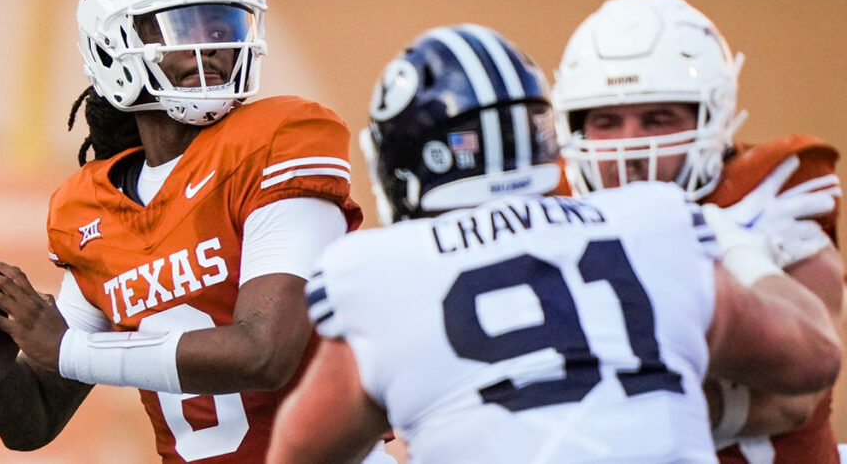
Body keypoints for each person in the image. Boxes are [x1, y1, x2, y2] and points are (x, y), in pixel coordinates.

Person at [0, 0, 400, 462]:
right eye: (182, 24)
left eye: (224, 25)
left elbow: (264, 354)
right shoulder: (93, 208)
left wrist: (70, 347)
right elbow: (36, 419)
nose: (209, 47)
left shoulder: (279, 140)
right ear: (111, 44)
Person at [265, 24, 841, 463]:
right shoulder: (653, 225)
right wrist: (732, 241)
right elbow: (813, 358)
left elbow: (299, 452)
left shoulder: (375, 271)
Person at [551, 0, 844, 464]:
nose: (630, 146)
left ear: (713, 116)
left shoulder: (768, 201)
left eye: (657, 119)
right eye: (607, 121)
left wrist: (613, 414)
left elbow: (796, 398)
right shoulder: (549, 208)